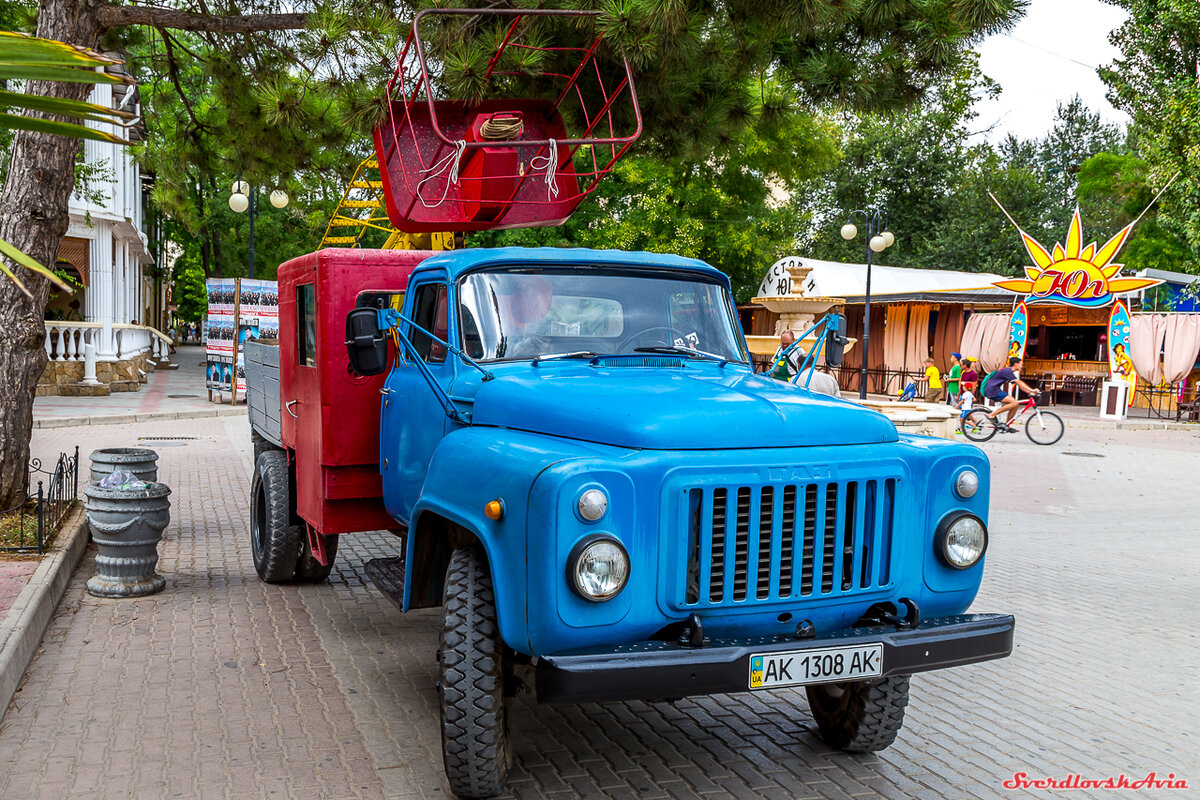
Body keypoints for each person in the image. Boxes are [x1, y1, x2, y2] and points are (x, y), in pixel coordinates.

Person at [984, 356, 1041, 432]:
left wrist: (1030, 392)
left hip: (994, 389)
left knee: (1015, 405)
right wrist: (1032, 389)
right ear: (1016, 364)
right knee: (1014, 402)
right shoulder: (1008, 371)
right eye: (1021, 364)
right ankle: (992, 415)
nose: (1022, 366)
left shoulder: (1009, 372)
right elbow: (1019, 382)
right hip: (992, 390)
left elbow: (1019, 385)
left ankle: (1006, 425)